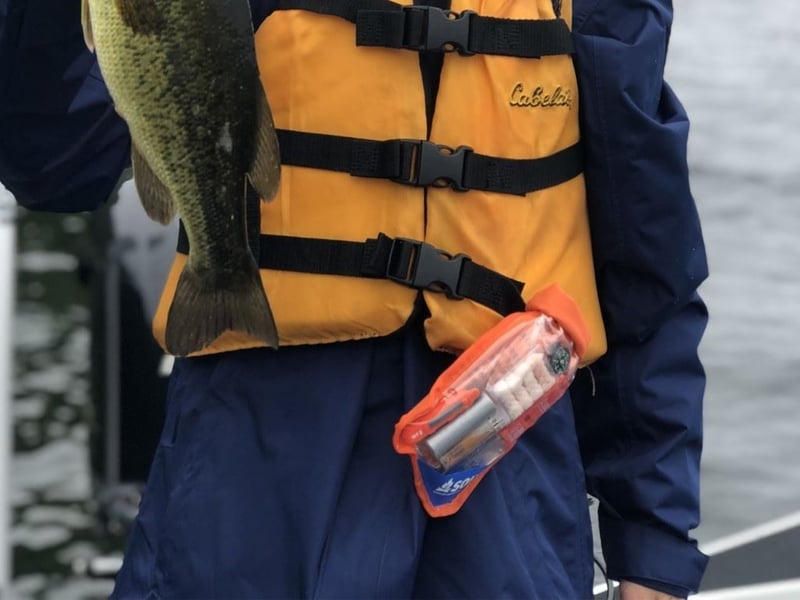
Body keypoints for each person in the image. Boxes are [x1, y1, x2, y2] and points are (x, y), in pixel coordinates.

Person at [0, 0, 710, 598]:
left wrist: (652, 542)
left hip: (505, 498)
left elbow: (644, 252)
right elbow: (58, 167)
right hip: (249, 484)